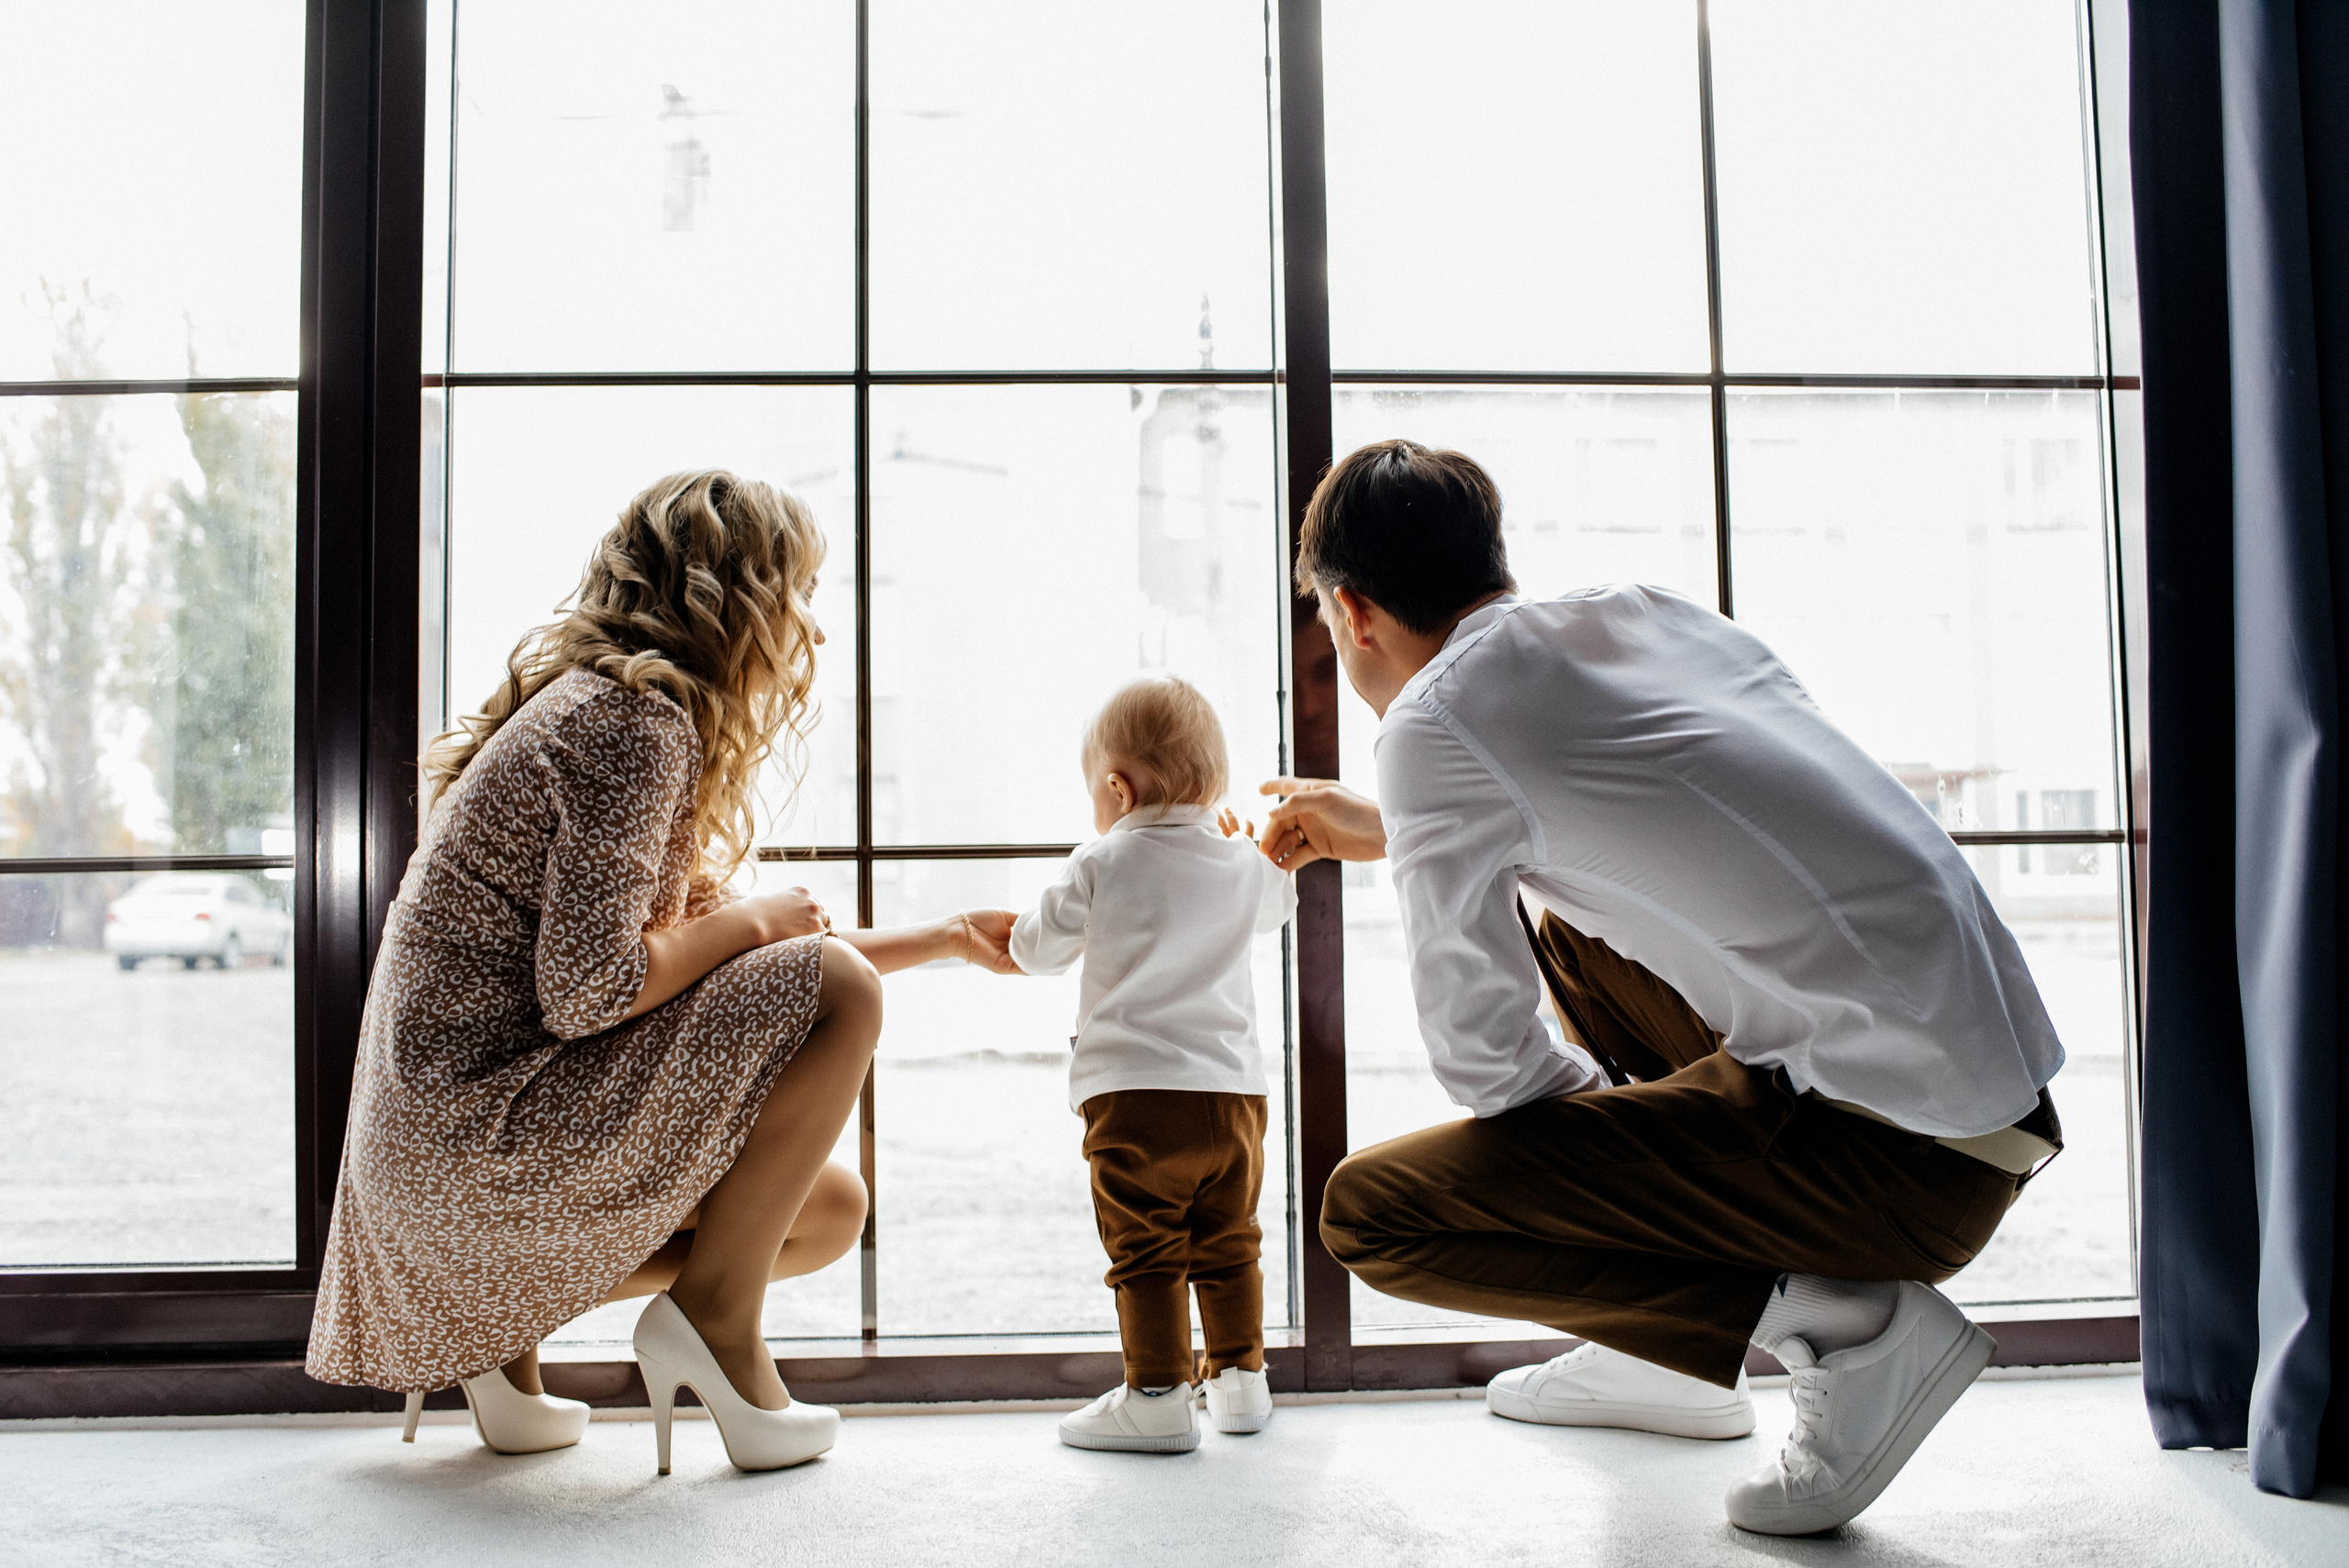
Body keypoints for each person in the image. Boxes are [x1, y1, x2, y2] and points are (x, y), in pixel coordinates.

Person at [1255, 439, 2065, 1536]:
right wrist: (1395, 825)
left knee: (1374, 1213)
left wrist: (1612, 1186)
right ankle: (1673, 1355)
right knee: (1574, 927)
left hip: (1901, 1168)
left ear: (1350, 612)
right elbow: (1718, 825)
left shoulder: (1430, 721)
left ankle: (1841, 1325)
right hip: (1989, 1106)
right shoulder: (1641, 609)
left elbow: (1486, 1064)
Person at [306, 470, 1020, 1475]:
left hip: (434, 1175)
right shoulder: (631, 724)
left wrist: (944, 936)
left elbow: (765, 949)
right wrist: (749, 924)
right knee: (840, 991)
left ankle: (498, 1339)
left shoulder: (593, 712)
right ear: (731, 595)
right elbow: (594, 989)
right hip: (478, 1146)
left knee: (824, 1208)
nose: (811, 632)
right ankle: (714, 1323)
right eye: (796, 596)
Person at [1008, 676, 1296, 1453]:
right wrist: (1250, 845)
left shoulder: (1100, 859)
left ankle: (1159, 1394)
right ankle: (1240, 1381)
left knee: (1147, 1248)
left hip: (1133, 1097)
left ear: (1116, 785)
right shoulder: (1243, 862)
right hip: (1234, 1094)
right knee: (1230, 1238)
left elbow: (1034, 949)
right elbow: (1277, 907)